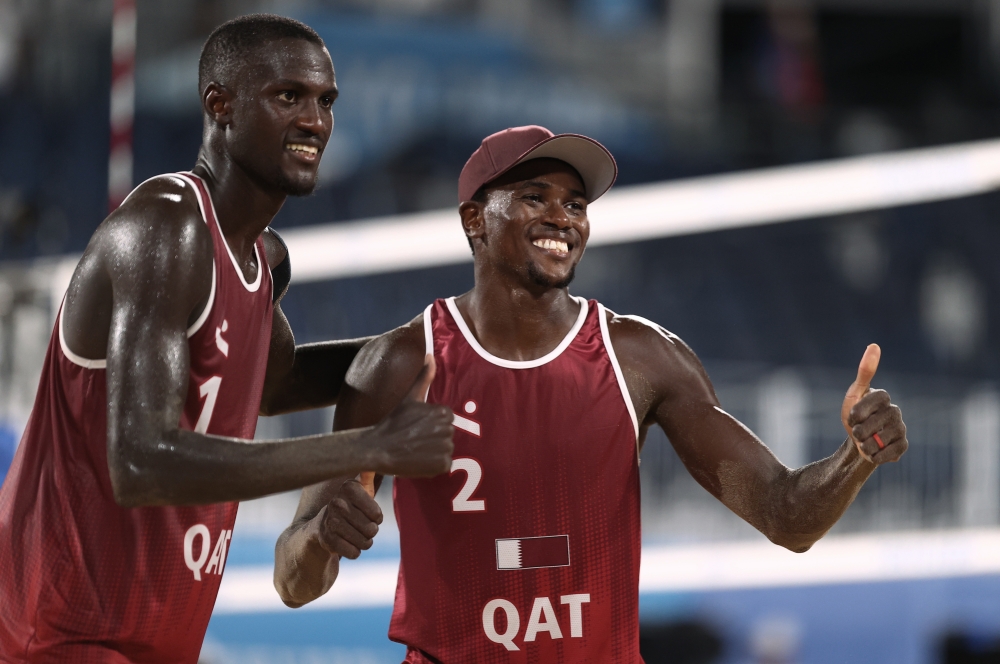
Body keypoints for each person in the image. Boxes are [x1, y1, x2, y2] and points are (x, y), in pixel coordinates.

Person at [273, 125, 908, 662]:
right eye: (534, 196)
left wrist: (857, 456)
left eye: (576, 205)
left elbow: (786, 517)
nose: (561, 216)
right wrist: (324, 537)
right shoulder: (399, 366)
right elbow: (293, 580)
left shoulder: (642, 359)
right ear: (474, 220)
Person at [0, 14, 454, 664]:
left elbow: (268, 386)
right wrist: (370, 446)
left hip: (155, 638)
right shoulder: (165, 230)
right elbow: (141, 461)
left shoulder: (259, 260)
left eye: (325, 101)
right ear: (221, 105)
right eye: (288, 96)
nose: (315, 120)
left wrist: (420, 351)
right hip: (65, 638)